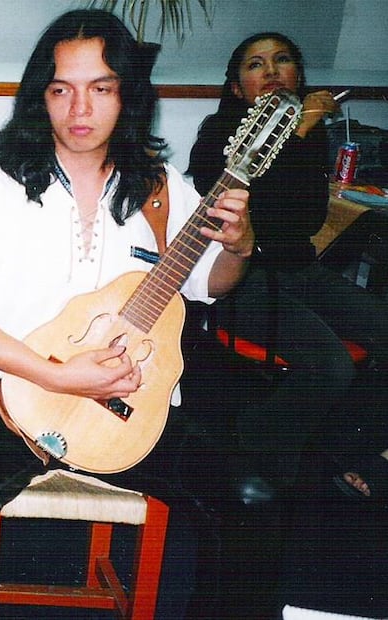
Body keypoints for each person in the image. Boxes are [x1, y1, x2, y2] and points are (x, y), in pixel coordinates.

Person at [0, 10, 255, 618]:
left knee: (254, 495)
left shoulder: (161, 186)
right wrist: (58, 375)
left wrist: (240, 246)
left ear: (127, 95)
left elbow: (209, 287)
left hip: (133, 407)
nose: (79, 110)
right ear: (40, 97)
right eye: (61, 89)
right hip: (10, 399)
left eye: (101, 88)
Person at [186, 32, 388, 501]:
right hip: (240, 281)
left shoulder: (309, 132)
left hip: (299, 273)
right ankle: (258, 451)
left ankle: (349, 449)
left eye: (282, 61)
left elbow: (304, 219)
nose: (272, 71)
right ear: (237, 87)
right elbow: (246, 216)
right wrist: (295, 133)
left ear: (299, 76)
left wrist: (302, 133)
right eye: (256, 65)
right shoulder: (219, 133)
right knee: (331, 366)